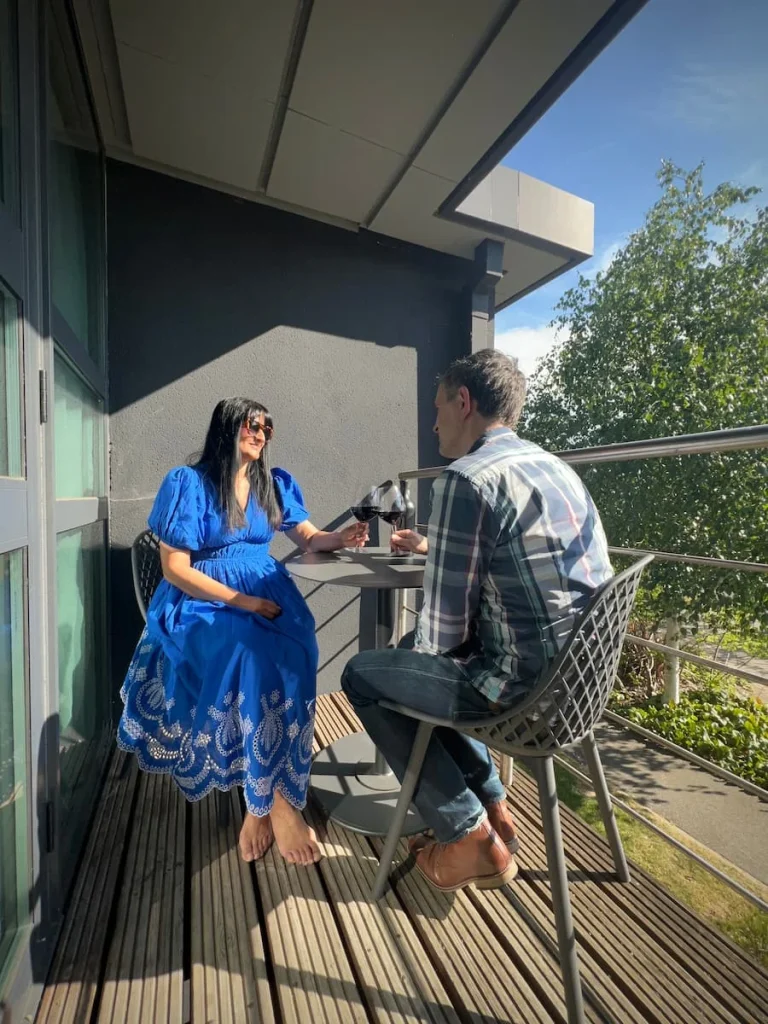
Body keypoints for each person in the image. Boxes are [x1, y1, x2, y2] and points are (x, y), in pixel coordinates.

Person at [341, 350, 613, 892]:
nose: (433, 420)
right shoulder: (553, 466)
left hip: (522, 698)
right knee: (415, 664)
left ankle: (466, 832)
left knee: (365, 674)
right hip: (584, 686)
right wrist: (435, 547)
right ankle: (493, 804)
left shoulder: (465, 480)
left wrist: (407, 659)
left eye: (438, 406)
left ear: (463, 402)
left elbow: (441, 637)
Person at [118, 397, 368, 866]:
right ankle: (271, 804)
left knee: (301, 649)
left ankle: (261, 795)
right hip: (202, 602)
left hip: (266, 592)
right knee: (251, 655)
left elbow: (310, 538)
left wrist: (343, 537)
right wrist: (242, 601)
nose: (260, 433)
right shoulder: (188, 483)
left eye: (267, 429)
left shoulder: (270, 483)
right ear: (226, 426)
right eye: (253, 424)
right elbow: (174, 568)